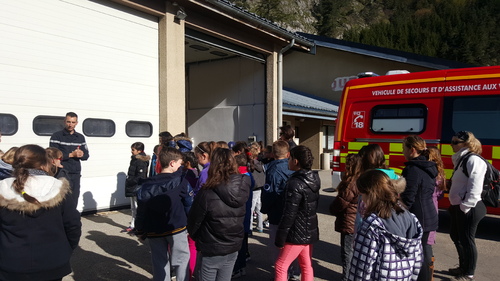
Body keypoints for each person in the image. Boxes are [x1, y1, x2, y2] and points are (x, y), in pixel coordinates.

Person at [0, 144, 82, 281]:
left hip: (10, 264)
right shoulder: (58, 188)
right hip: (52, 262)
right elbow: (73, 226)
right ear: (45, 164)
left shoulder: (3, 188)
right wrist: (66, 250)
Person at [187, 148, 251, 281]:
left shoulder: (206, 193)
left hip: (212, 247)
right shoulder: (242, 189)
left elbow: (193, 221)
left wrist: (197, 238)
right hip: (232, 244)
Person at [348, 169, 423, 281]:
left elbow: (362, 266)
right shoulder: (410, 218)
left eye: (362, 194)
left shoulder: (371, 224)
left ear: (371, 194)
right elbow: (418, 259)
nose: (362, 200)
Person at [134, 147, 192, 281]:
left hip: (154, 230)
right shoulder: (181, 181)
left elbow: (141, 211)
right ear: (172, 163)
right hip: (176, 228)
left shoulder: (146, 185)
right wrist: (191, 223)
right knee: (182, 260)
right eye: (179, 163)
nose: (180, 166)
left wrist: (140, 229)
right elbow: (189, 203)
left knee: (159, 262)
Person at [274, 145, 320, 281]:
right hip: (308, 230)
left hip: (296, 232)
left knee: (281, 265)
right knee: (306, 265)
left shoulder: (295, 183)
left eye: (290, 158)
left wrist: (280, 237)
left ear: (296, 161)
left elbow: (289, 213)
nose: (288, 161)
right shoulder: (314, 179)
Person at [447, 131, 487, 281]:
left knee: (467, 239)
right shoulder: (461, 159)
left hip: (471, 207)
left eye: (455, 142)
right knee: (456, 235)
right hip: (459, 206)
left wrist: (465, 206)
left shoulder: (473, 160)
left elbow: (475, 187)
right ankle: (462, 267)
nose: (452, 145)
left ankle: (468, 273)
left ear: (466, 144)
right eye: (452, 142)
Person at [400, 135, 438, 281]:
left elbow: (408, 197)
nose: (403, 152)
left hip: (418, 216)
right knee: (423, 253)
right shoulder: (428, 165)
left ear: (412, 150)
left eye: (404, 149)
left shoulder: (413, 169)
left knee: (418, 257)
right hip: (429, 215)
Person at [329, 153, 361, 281]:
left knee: (347, 252)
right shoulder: (362, 180)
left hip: (349, 221)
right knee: (355, 251)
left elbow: (341, 202)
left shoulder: (350, 183)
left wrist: (332, 209)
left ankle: (347, 277)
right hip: (358, 220)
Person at [49, 112, 89, 206]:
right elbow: (52, 155)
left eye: (73, 122)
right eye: (68, 122)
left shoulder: (80, 137)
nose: (70, 124)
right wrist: (71, 155)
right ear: (64, 122)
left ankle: (72, 218)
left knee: (74, 197)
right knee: (61, 197)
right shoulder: (56, 136)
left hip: (75, 172)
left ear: (76, 123)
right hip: (61, 171)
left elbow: (86, 155)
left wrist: (81, 154)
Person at [232, 154, 254, 278]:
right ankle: (242, 266)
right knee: (243, 242)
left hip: (240, 215)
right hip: (246, 215)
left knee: (238, 245)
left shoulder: (240, 178)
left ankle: (237, 268)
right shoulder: (249, 176)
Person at [124, 142, 150, 232]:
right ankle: (133, 224)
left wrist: (130, 180)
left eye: (133, 150)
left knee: (137, 207)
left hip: (137, 187)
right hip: (133, 187)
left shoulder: (140, 161)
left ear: (139, 151)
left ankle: (138, 226)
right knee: (133, 207)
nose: (131, 151)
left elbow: (140, 176)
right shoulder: (134, 159)